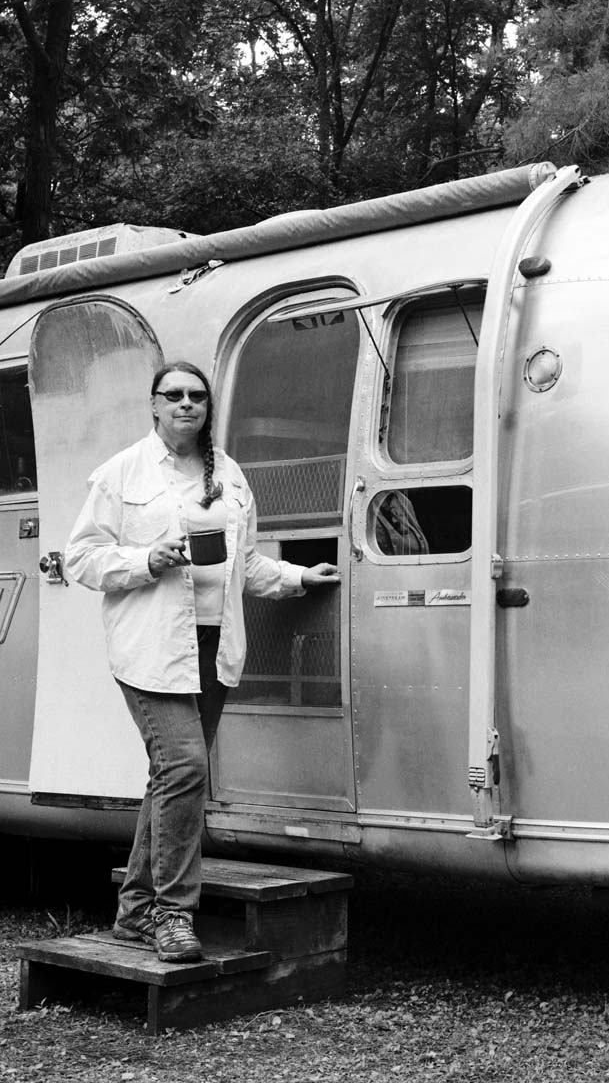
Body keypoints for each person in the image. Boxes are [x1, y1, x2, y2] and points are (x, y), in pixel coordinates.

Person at [63, 361, 340, 963]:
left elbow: (247, 565)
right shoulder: (122, 472)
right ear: (154, 406)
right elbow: (80, 559)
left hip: (214, 645)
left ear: (207, 407)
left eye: (197, 396)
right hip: (152, 646)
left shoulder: (231, 475)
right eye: (175, 396)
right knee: (186, 768)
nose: (187, 404)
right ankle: (173, 917)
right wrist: (145, 561)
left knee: (172, 777)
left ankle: (135, 911)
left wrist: (298, 576)